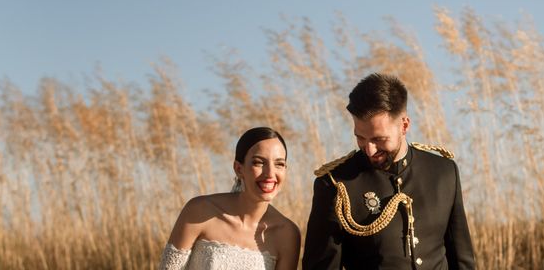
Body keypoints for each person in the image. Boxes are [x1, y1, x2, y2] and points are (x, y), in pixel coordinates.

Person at [302, 73, 475, 269]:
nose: (369, 149)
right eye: (360, 138)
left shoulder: (444, 172)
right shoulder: (336, 183)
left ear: (404, 125)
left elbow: (462, 259)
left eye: (378, 139)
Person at [158, 127, 301, 270]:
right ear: (239, 169)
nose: (270, 173)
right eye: (259, 162)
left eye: (279, 164)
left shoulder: (287, 234)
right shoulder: (199, 211)